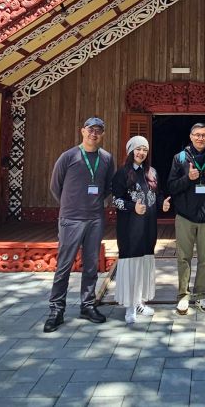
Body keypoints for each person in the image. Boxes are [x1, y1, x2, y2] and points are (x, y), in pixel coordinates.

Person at [44, 117, 115, 332]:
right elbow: (56, 186)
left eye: (99, 131)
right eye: (90, 130)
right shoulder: (69, 156)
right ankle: (56, 309)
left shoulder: (106, 158)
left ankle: (88, 305)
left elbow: (108, 186)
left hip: (95, 218)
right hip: (71, 218)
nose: (94, 134)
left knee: (91, 264)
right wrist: (70, 205)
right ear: (82, 131)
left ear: (103, 134)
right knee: (64, 265)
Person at [168, 122, 205, 315]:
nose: (201, 138)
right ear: (191, 136)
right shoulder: (180, 158)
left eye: (204, 135)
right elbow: (171, 187)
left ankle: (201, 295)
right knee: (183, 258)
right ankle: (183, 296)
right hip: (185, 216)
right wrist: (188, 178)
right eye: (197, 135)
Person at [112, 136, 161, 324]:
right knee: (131, 264)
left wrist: (162, 203)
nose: (141, 153)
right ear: (131, 151)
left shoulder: (152, 173)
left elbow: (156, 195)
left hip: (148, 227)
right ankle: (129, 306)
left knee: (143, 264)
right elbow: (116, 200)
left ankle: (139, 301)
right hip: (130, 228)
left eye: (145, 150)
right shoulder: (122, 173)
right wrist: (133, 207)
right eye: (138, 149)